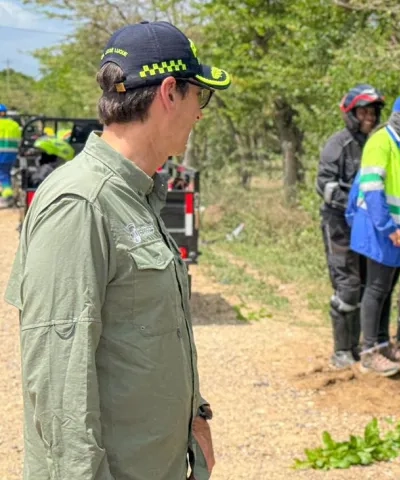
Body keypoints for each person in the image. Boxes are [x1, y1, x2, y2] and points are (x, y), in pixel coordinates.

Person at [4, 20, 230, 480]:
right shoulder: (81, 204)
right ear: (169, 92)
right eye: (197, 96)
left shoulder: (137, 195)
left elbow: (145, 332)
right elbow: (58, 384)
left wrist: (193, 416)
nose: (200, 113)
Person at [347, 93, 400, 377]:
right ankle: (369, 351)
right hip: (380, 230)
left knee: (387, 290)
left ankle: (383, 343)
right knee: (375, 289)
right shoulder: (380, 142)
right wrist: (389, 229)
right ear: (397, 117)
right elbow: (372, 189)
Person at [316, 84, 386, 369]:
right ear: (351, 112)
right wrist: (356, 202)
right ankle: (341, 351)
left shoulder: (376, 143)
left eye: (373, 111)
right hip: (339, 225)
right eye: (363, 111)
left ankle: (358, 346)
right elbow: (323, 184)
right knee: (348, 284)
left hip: (366, 227)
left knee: (368, 283)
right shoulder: (338, 144)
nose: (369, 116)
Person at [0, 104, 22, 206]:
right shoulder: (14, 125)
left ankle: (8, 195)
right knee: (6, 173)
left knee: (3, 175)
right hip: (11, 154)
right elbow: (19, 140)